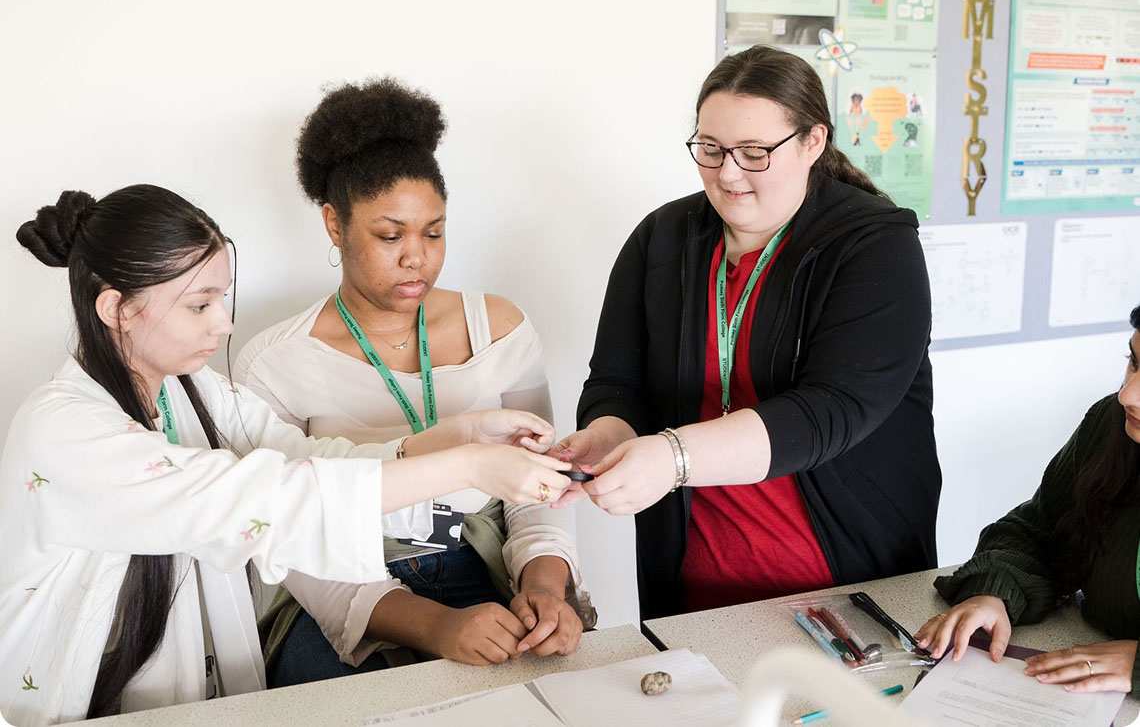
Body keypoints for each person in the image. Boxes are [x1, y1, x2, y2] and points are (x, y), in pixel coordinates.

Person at [0, 185, 571, 726]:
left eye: (220, 299)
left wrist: (456, 436)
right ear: (116, 309)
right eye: (199, 305)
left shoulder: (188, 391)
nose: (223, 325)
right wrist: (466, 468)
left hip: (190, 698)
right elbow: (263, 498)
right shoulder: (64, 431)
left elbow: (304, 457)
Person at [556, 44, 940, 620]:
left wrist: (672, 458)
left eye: (754, 152)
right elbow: (616, 381)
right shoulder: (661, 239)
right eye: (710, 149)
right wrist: (607, 436)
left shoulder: (874, 246)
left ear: (813, 141)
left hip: (843, 584)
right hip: (694, 584)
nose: (728, 172)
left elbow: (831, 410)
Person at [235, 77, 593, 686]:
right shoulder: (274, 362)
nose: (417, 258)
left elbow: (541, 490)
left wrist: (543, 583)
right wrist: (435, 626)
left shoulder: (499, 329)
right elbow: (291, 535)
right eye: (389, 235)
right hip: (345, 589)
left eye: (434, 232)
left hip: (488, 568)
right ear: (334, 223)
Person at [915, 305, 1140, 697]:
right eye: (1134, 363)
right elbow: (1040, 530)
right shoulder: (1111, 427)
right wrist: (994, 591)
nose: (1127, 395)